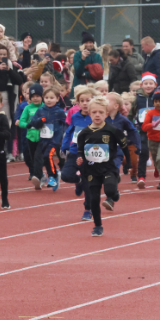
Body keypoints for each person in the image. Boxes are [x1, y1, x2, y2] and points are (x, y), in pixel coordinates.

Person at [76, 95, 130, 237]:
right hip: (91, 170)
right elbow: (80, 151)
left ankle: (114, 194)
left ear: (106, 114)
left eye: (100, 112)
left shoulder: (112, 130)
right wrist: (79, 159)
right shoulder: (83, 134)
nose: (97, 115)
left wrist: (128, 164)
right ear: (89, 114)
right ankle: (98, 226)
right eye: (94, 112)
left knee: (110, 190)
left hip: (108, 168)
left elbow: (125, 147)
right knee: (93, 199)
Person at [62, 86, 96, 220]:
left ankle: (88, 209)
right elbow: (70, 131)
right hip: (75, 151)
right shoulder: (75, 116)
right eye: (82, 100)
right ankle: (79, 181)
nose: (85, 103)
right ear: (78, 102)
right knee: (65, 176)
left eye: (88, 100)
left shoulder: (96, 116)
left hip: (90, 154)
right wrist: (65, 146)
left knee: (89, 185)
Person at [28, 85, 67, 191]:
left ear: (57, 99)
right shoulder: (40, 110)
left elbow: (66, 124)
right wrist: (39, 121)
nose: (49, 100)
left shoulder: (59, 112)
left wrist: (63, 136)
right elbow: (34, 123)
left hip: (54, 140)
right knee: (44, 158)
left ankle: (51, 177)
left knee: (48, 155)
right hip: (43, 139)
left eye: (52, 98)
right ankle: (54, 174)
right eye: (46, 98)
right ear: (43, 98)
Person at [130, 72, 159, 189]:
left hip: (157, 129)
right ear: (142, 85)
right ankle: (141, 177)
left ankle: (158, 168)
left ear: (155, 84)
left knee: (157, 152)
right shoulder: (138, 99)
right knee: (143, 153)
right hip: (142, 129)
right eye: (146, 83)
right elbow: (131, 112)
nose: (148, 86)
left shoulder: (158, 97)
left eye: (150, 83)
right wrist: (127, 124)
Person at [105, 91, 141, 185]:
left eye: (107, 101)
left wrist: (137, 144)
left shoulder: (122, 119)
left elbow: (132, 131)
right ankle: (114, 177)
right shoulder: (102, 117)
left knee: (114, 165)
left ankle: (113, 180)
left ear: (116, 106)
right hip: (104, 149)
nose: (104, 102)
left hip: (117, 149)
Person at [18, 83, 44, 186]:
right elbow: (21, 122)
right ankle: (41, 176)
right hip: (30, 137)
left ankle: (37, 177)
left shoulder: (45, 108)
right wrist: (28, 125)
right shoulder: (27, 108)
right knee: (33, 158)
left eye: (37, 96)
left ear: (42, 96)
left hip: (43, 137)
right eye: (33, 96)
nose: (35, 99)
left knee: (38, 157)